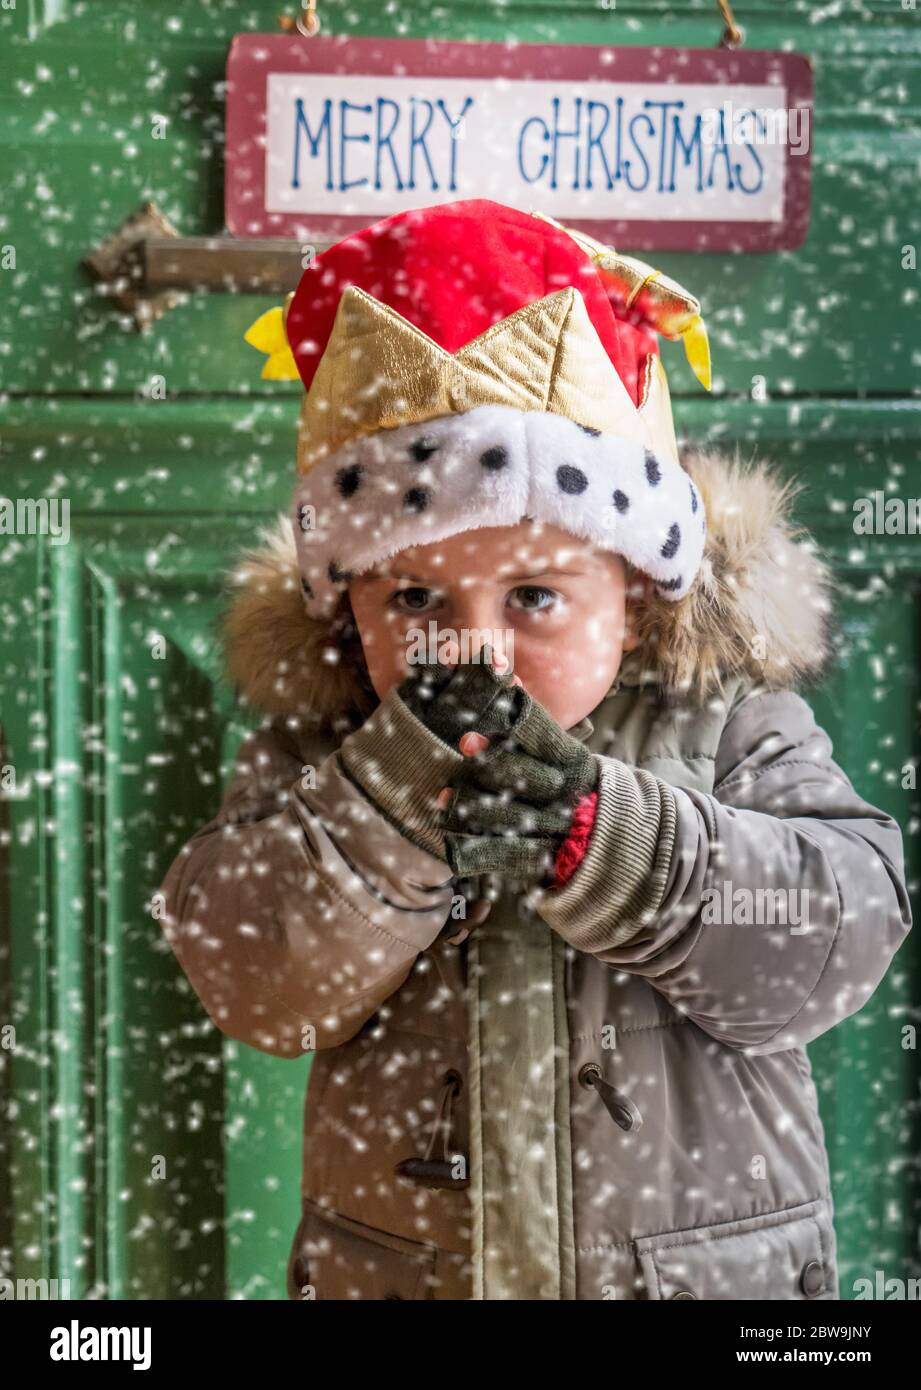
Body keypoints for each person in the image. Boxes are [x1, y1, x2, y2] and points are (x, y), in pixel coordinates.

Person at [157, 200, 912, 1301]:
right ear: (345, 611)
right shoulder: (328, 748)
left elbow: (839, 928)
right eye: (414, 595)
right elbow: (260, 979)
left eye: (535, 597)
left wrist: (611, 842)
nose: (472, 644)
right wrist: (395, 802)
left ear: (638, 601)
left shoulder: (718, 719)